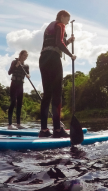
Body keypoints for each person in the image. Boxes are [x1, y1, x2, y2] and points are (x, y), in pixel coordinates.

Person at [38, 10, 76, 138]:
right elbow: (59, 44)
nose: (67, 21)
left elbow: (56, 42)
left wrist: (68, 41)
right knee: (57, 94)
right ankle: (58, 130)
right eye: (67, 18)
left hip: (43, 59)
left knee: (47, 95)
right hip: (53, 59)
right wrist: (71, 55)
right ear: (62, 16)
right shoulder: (60, 25)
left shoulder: (50, 27)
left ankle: (43, 130)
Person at [7, 50, 30, 130]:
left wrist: (28, 75)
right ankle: (10, 125)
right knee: (13, 102)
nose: (25, 57)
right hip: (14, 84)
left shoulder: (26, 66)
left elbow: (28, 73)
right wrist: (16, 65)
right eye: (24, 55)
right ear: (20, 55)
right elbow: (9, 72)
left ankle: (18, 124)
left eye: (26, 56)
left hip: (20, 85)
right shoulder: (14, 62)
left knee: (19, 105)